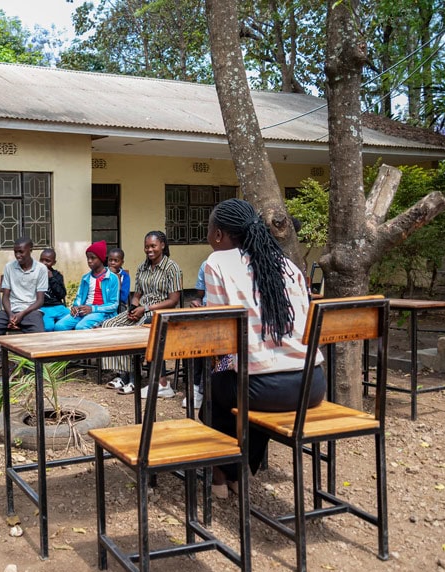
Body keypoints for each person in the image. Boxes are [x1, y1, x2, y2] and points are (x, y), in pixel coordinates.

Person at [203, 198, 324, 498]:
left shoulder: (217, 262)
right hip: (312, 384)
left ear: (218, 234)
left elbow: (221, 339)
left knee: (218, 383)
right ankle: (241, 471)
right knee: (242, 382)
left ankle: (222, 475)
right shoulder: (288, 265)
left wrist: (217, 367)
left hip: (263, 389)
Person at [101, 231, 182, 397]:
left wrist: (144, 309)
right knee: (110, 325)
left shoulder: (171, 268)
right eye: (146, 246)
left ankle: (133, 378)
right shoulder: (142, 267)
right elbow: (137, 295)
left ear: (162, 245)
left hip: (160, 312)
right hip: (142, 309)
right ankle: (122, 374)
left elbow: (173, 300)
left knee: (132, 332)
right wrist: (132, 309)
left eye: (153, 246)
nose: (149, 250)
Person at [0, 236, 48, 370]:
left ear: (30, 250)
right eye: (15, 252)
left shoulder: (41, 269)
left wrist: (22, 314)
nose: (17, 255)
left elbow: (40, 301)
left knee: (40, 336)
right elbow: (5, 297)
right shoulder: (9, 267)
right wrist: (10, 314)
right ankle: (6, 365)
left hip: (31, 311)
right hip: (10, 311)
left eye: (21, 252)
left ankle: (30, 369)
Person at [54, 240, 119, 331]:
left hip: (102, 312)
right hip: (83, 311)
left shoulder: (112, 278)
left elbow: (114, 304)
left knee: (81, 327)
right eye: (88, 258)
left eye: (93, 258)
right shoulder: (86, 278)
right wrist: (75, 307)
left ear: (101, 258)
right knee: (59, 326)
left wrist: (92, 309)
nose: (89, 261)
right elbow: (79, 297)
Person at [182, 259, 208, 410]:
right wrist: (197, 301)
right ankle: (196, 387)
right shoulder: (206, 264)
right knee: (193, 338)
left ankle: (204, 388)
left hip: (227, 315)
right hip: (206, 313)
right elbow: (200, 294)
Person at [38, 248, 70, 331]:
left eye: (47, 261)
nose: (44, 263)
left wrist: (51, 278)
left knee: (73, 319)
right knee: (48, 327)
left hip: (58, 307)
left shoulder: (57, 275)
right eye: (42, 260)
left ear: (54, 263)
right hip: (44, 307)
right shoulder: (35, 275)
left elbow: (62, 294)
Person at [107, 248, 131, 312]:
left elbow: (123, 297)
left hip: (119, 304)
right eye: (110, 260)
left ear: (122, 262)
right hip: (104, 303)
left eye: (116, 260)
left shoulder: (125, 276)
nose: (112, 263)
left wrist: (115, 276)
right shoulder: (103, 273)